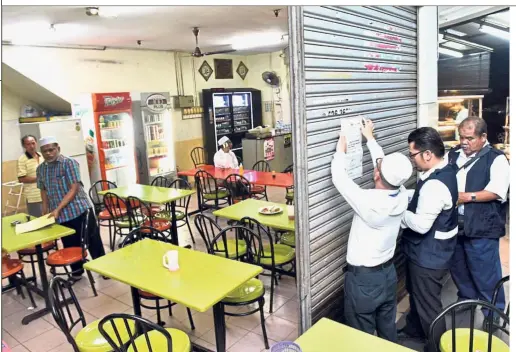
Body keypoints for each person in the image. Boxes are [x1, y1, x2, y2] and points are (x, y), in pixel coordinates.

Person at [331, 118, 413, 342]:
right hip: (387, 275)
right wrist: (369, 137)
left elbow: (339, 177)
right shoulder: (402, 193)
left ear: (377, 175)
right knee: (387, 330)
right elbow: (384, 166)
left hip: (364, 282)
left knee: (362, 337)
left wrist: (342, 145)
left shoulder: (370, 203)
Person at [397, 127, 459, 351]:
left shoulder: (434, 185)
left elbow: (422, 225)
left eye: (412, 154)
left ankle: (436, 346)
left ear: (427, 154)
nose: (411, 160)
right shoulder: (446, 170)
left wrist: (398, 212)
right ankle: (414, 330)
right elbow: (428, 201)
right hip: (433, 252)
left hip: (428, 257)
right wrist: (410, 196)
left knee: (429, 306)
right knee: (418, 296)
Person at [446, 117, 509, 318]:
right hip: (455, 225)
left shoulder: (496, 159)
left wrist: (465, 197)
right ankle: (466, 298)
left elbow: (497, 191)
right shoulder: (453, 155)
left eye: (470, 138)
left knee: (486, 273)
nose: (464, 142)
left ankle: (493, 314)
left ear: (483, 137)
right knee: (459, 267)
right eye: (461, 137)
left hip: (482, 227)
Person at [36, 136, 106, 281]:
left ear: (58, 149)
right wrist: (45, 209)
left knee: (92, 240)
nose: (48, 153)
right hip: (60, 215)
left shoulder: (69, 163)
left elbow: (74, 189)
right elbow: (43, 190)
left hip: (79, 210)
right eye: (45, 151)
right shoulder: (41, 169)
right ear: (41, 153)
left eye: (51, 150)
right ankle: (76, 271)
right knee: (69, 243)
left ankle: (104, 268)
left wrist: (58, 209)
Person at [17, 135, 44, 217]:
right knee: (36, 219)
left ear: (36, 143)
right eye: (28, 144)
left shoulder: (41, 155)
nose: (31, 146)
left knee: (49, 218)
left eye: (33, 143)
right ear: (24, 146)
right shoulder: (22, 159)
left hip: (46, 193)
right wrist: (39, 179)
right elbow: (21, 178)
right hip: (33, 196)